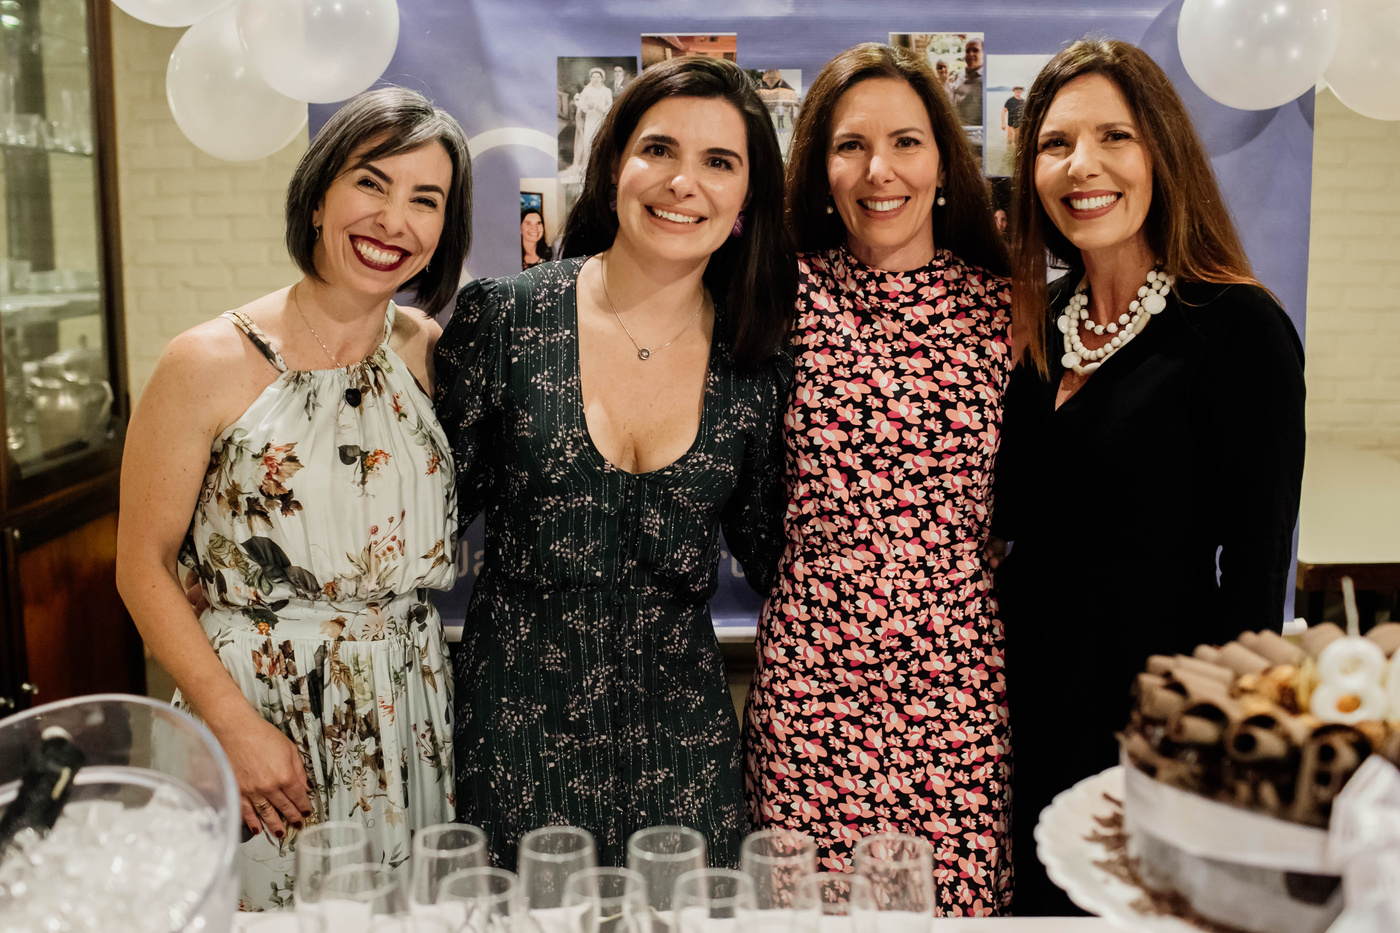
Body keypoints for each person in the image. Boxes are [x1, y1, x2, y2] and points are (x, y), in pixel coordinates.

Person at [115, 88, 472, 910]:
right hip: (254, 708)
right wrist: (232, 726)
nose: (394, 219)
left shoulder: (429, 352)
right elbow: (141, 564)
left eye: (425, 199)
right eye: (371, 182)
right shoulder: (205, 359)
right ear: (317, 196)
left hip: (410, 708)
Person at [435, 56, 795, 870]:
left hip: (684, 746)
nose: (682, 183)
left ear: (746, 197)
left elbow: (780, 555)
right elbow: (419, 518)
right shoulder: (508, 320)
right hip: (516, 737)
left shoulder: (756, 362)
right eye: (658, 150)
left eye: (719, 161)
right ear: (612, 167)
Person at [993, 38, 1305, 915]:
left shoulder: (1236, 326)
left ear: (1161, 152)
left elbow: (1254, 572)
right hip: (1017, 713)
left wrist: (1213, 750)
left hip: (1154, 731)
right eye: (1055, 143)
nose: (1081, 165)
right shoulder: (1039, 323)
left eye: (1114, 136)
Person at [741, 43, 1014, 915]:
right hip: (811, 682)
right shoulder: (777, 301)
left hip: (957, 685)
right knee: (803, 915)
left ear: (944, 162)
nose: (878, 170)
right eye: (851, 146)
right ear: (821, 170)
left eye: (905, 142)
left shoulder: (1007, 310)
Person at [568, 67, 614, 178]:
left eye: (598, 77)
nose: (596, 79)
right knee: (588, 142)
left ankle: (601, 169)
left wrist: (597, 107)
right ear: (590, 78)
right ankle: (587, 168)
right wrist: (583, 104)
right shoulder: (587, 91)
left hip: (602, 120)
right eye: (593, 77)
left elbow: (609, 108)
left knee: (601, 142)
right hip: (590, 120)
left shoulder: (607, 91)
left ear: (602, 78)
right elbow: (583, 108)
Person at [948, 38, 984, 127]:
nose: (970, 54)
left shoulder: (987, 79)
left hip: (978, 131)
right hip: (958, 128)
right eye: (967, 51)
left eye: (975, 50)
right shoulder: (958, 75)